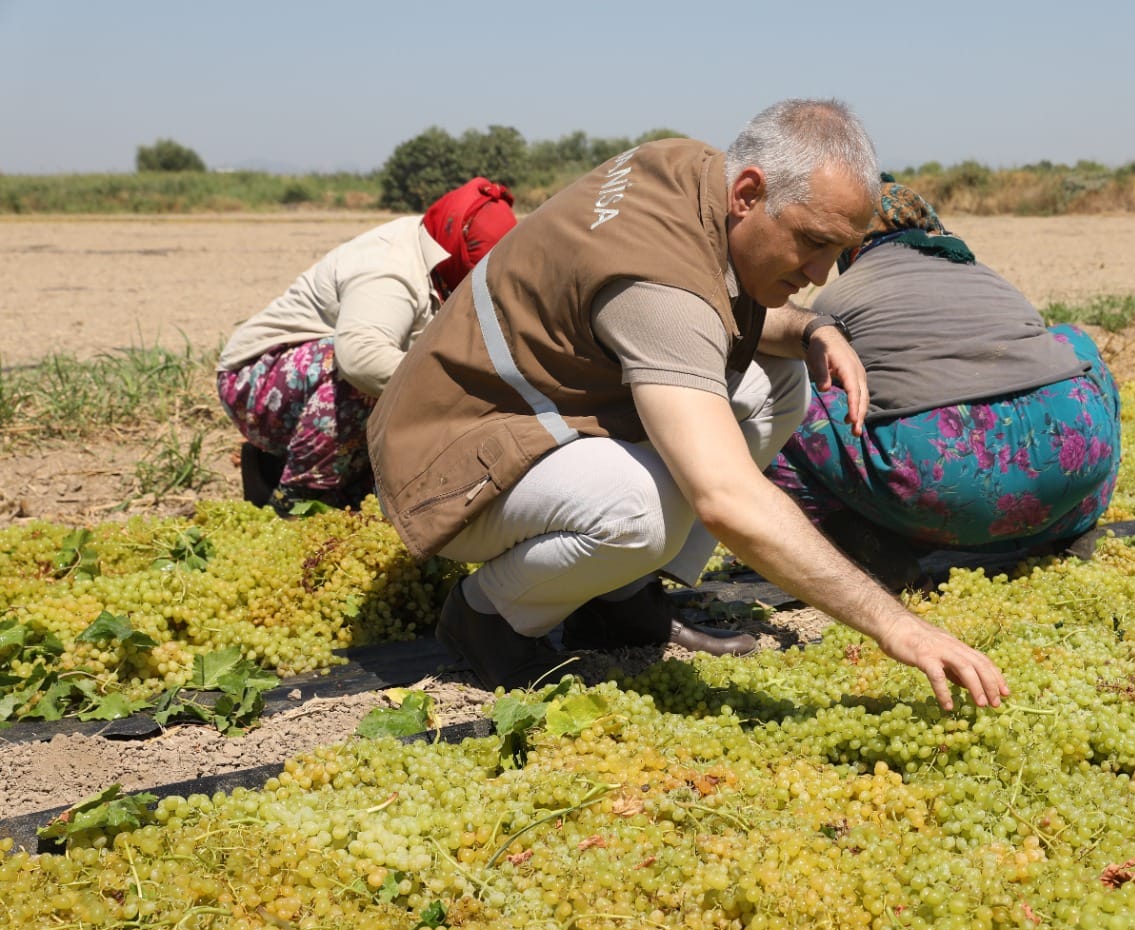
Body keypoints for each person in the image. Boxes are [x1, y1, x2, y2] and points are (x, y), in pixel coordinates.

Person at [367, 99, 1008, 710]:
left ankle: (616, 597)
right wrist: (898, 626)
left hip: (525, 410)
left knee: (777, 381)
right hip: (449, 456)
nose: (819, 275)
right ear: (748, 194)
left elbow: (720, 312)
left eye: (834, 253)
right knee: (640, 511)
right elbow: (725, 496)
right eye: (812, 243)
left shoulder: (689, 170)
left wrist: (812, 328)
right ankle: (486, 615)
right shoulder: (657, 284)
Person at [765, 179, 1121, 587]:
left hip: (943, 483)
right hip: (1076, 458)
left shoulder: (837, 297)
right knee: (1074, 341)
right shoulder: (983, 274)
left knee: (783, 389)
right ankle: (1073, 526)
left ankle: (865, 544)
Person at [216, 178, 518, 516]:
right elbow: (362, 360)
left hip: (301, 390)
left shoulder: (438, 258)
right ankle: (302, 498)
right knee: (364, 368)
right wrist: (457, 395)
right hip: (254, 383)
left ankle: (272, 470)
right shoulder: (390, 269)